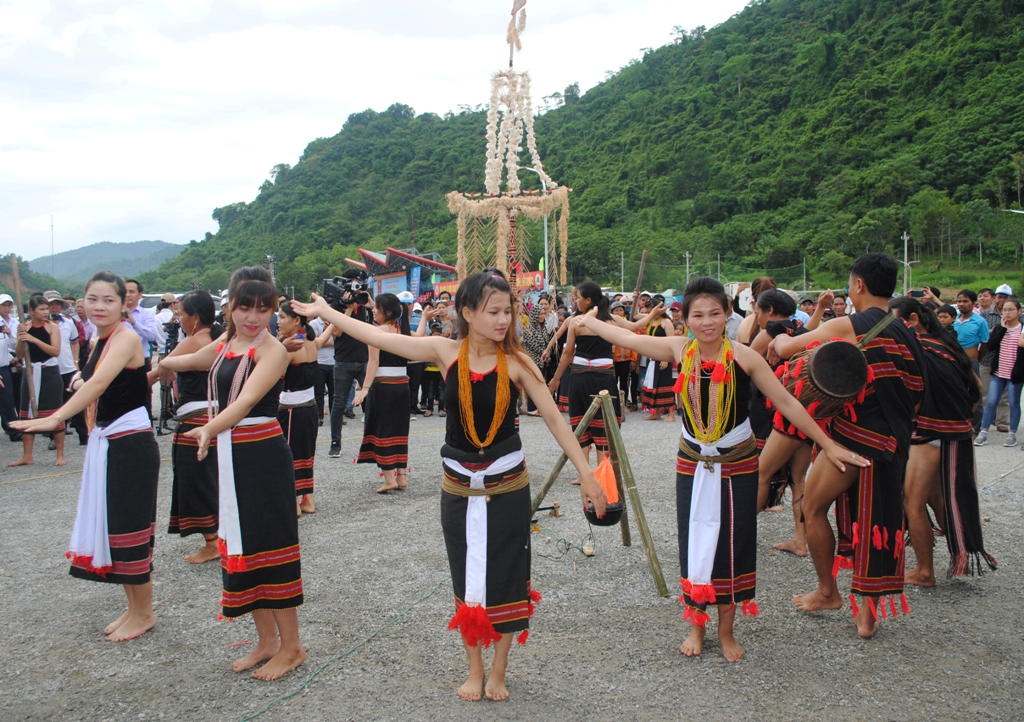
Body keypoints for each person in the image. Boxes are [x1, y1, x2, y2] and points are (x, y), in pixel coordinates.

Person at [293, 270, 607, 701]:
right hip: (458, 485)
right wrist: (328, 312)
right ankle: (474, 668)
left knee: (508, 574)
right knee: (466, 575)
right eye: (493, 311)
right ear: (467, 312)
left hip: (507, 484)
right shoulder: (444, 351)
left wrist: (587, 474)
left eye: (508, 311)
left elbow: (554, 417)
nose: (504, 319)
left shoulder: (516, 360)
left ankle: (499, 668)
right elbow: (380, 338)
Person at [576, 276, 865, 661]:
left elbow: (789, 403)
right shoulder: (680, 349)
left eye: (715, 313)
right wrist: (586, 321)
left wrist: (829, 445)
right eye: (698, 314)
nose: (707, 321)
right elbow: (627, 338)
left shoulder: (745, 357)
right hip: (693, 462)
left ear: (728, 313)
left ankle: (726, 631)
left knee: (734, 543)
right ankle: (696, 626)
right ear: (686, 318)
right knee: (694, 541)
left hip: (737, 463)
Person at [160, 266, 305, 681]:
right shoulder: (227, 344)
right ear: (232, 309)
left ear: (273, 311)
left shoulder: (271, 349)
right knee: (241, 546)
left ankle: (292, 646)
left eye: (263, 309)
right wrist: (157, 363)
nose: (253, 317)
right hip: (231, 453)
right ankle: (266, 641)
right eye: (245, 308)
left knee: (269, 544)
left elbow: (242, 403)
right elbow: (190, 359)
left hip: (260, 454)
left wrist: (207, 427)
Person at [774, 253, 924, 639]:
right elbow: (917, 391)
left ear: (858, 285)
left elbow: (790, 349)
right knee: (874, 518)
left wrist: (776, 336)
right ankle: (866, 618)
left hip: (856, 438)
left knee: (812, 506)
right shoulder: (907, 329)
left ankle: (828, 592)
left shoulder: (849, 323)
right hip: (894, 441)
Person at [14, 271, 160, 642]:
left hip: (130, 443)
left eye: (108, 300)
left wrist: (56, 416)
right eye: (93, 299)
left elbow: (98, 383)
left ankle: (144, 612)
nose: (99, 306)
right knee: (114, 528)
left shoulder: (125, 337)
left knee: (129, 529)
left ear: (122, 303)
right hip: (111, 439)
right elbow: (89, 376)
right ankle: (132, 608)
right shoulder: (100, 337)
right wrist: (78, 379)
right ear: (83, 300)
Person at [889, 296, 996, 586]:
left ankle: (925, 571)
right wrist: (958, 420)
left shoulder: (920, 350)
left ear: (913, 321)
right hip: (952, 433)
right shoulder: (945, 343)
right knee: (938, 500)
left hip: (930, 435)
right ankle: (960, 549)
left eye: (896, 323)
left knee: (912, 502)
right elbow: (975, 388)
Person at [549, 281, 661, 454]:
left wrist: (556, 378)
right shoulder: (612, 320)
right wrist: (652, 314)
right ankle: (602, 470)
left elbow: (567, 353)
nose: (576, 301)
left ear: (588, 300)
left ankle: (585, 472)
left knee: (581, 419)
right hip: (602, 376)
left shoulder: (576, 322)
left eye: (578, 298)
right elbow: (636, 327)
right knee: (602, 419)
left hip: (581, 376)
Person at [748, 289, 812, 556]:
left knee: (761, 473)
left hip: (780, 417)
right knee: (798, 479)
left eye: (758, 311)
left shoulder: (770, 332)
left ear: (770, 311)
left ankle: (742, 536)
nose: (756, 316)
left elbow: (742, 363)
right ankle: (800, 540)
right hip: (806, 413)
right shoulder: (803, 329)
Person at [160, 290, 220, 564]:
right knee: (212, 478)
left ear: (194, 318)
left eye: (181, 314)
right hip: (215, 417)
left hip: (196, 420)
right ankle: (219, 537)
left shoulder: (194, 341)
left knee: (197, 480)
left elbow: (158, 371)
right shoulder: (218, 338)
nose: (178, 318)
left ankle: (212, 542)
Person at [355, 293, 411, 493]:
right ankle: (401, 475)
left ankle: (389, 478)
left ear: (386, 311)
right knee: (399, 429)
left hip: (383, 385)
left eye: (376, 308)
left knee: (383, 429)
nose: (373, 311)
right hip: (402, 386)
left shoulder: (377, 331)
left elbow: (374, 361)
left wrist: (365, 388)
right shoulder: (402, 329)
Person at [10, 294, 65, 466]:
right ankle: (27, 455)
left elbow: (55, 351)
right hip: (30, 371)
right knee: (26, 414)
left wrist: (33, 339)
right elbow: (19, 354)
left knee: (55, 412)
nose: (45, 312)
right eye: (41, 309)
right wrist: (22, 337)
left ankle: (60, 455)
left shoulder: (52, 327)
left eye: (46, 309)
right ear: (31, 311)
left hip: (50, 372)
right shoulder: (25, 327)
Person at [277, 301, 320, 514]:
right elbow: (320, 339)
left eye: (282, 317)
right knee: (305, 454)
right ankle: (308, 500)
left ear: (296, 321)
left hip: (292, 408)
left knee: (289, 454)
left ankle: (293, 502)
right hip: (309, 407)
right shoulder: (307, 339)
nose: (278, 321)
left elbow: (272, 376)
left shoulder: (290, 347)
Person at [326, 270, 374, 458]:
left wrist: (371, 304)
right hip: (343, 360)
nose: (356, 289)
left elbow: (383, 319)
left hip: (365, 359)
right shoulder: (336, 305)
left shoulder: (364, 303)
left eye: (359, 285)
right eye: (352, 285)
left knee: (370, 401)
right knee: (339, 403)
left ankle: (372, 441)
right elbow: (335, 332)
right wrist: (347, 307)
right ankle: (335, 443)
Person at [974, 299, 1023, 447]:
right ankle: (984, 432)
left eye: (1011, 310)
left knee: (1014, 403)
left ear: (1019, 312)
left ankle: (1012, 433)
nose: (1007, 313)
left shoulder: (1022, 329)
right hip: (999, 372)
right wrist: (1001, 329)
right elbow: (992, 346)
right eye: (1005, 310)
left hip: (1015, 374)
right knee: (991, 401)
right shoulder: (999, 328)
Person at [45, 291, 87, 446]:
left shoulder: (68, 322)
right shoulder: (42, 325)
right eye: (51, 305)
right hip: (50, 368)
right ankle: (53, 438)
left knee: (76, 402)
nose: (54, 307)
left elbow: (75, 342)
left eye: (57, 304)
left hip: (68, 368)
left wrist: (76, 362)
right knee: (54, 405)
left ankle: (84, 435)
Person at [123, 280, 161, 421]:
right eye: (125, 291)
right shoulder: (114, 314)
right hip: (118, 363)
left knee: (143, 398)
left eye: (132, 292)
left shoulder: (146, 314)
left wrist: (133, 321)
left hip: (140, 363)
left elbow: (151, 335)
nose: (128, 295)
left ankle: (145, 430)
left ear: (140, 295)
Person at [638, 295, 676, 422]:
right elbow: (634, 316)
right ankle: (656, 413)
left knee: (665, 384)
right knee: (653, 385)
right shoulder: (650, 320)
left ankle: (671, 413)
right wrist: (635, 298)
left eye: (651, 311)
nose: (650, 314)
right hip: (652, 357)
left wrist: (666, 359)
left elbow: (672, 341)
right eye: (648, 312)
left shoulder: (666, 322)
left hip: (664, 357)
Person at [977, 287, 1010, 432]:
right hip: (988, 357)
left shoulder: (1019, 316)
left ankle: (1003, 421)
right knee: (985, 390)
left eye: (1005, 297)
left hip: (1008, 358)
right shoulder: (985, 314)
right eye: (999, 297)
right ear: (995, 298)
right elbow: (981, 335)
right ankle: (987, 420)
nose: (1002, 300)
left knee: (1005, 394)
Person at [415, 301, 448, 417]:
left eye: (437, 328)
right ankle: (431, 409)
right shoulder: (431, 339)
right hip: (430, 368)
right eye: (434, 328)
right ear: (430, 328)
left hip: (437, 369)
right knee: (432, 390)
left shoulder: (438, 339)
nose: (435, 331)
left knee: (438, 390)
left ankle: (438, 409)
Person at [521, 302, 552, 416]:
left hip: (544, 360)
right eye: (540, 314)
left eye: (544, 314)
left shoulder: (543, 328)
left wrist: (547, 351)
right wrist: (544, 351)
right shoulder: (529, 329)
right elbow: (534, 345)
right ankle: (532, 408)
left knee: (541, 384)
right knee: (533, 384)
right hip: (533, 360)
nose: (542, 316)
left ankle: (540, 407)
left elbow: (547, 342)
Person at [610, 301, 639, 412]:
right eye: (616, 310)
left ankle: (624, 404)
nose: (618, 312)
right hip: (612, 359)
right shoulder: (608, 325)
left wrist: (633, 359)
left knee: (624, 383)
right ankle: (613, 405)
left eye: (620, 310)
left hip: (625, 359)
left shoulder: (629, 325)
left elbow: (634, 342)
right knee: (612, 382)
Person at [1, 293, 21, 442]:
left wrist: (10, 334)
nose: (7, 308)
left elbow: (13, 345)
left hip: (5, 366)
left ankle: (13, 430)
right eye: (4, 305)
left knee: (8, 399)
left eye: (9, 305)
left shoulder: (14, 322)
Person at [309, 316, 334, 426]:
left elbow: (339, 338)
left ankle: (335, 417)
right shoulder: (314, 323)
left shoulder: (334, 322)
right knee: (319, 392)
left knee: (334, 394)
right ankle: (319, 416)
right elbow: (315, 341)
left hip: (333, 362)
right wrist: (333, 343)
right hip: (319, 362)